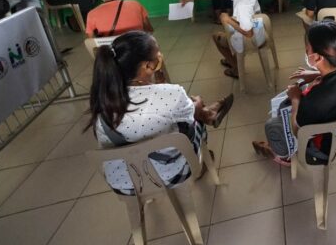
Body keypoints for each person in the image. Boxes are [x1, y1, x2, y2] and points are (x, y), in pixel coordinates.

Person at [86, 31, 233, 195]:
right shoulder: (172, 93)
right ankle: (207, 116)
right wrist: (197, 103)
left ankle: (207, 113)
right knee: (194, 119)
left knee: (176, 116)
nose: (160, 55)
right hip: (170, 175)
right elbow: (186, 114)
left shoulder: (102, 100)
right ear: (147, 66)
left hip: (124, 183)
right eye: (158, 53)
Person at [252, 21, 336, 166]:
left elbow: (297, 130)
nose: (306, 51)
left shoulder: (313, 100)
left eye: (307, 49)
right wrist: (318, 73)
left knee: (272, 124)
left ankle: (285, 157)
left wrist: (296, 98)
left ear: (317, 57)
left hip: (324, 150)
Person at [180, 0, 261, 78]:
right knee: (226, 31)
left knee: (217, 37)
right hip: (257, 23)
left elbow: (248, 33)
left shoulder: (242, 5)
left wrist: (227, 20)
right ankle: (231, 59)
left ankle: (236, 68)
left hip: (252, 35)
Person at [86, 0, 153, 38]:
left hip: (113, 48)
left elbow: (91, 40)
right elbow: (149, 29)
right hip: (138, 44)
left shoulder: (92, 14)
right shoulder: (135, 4)